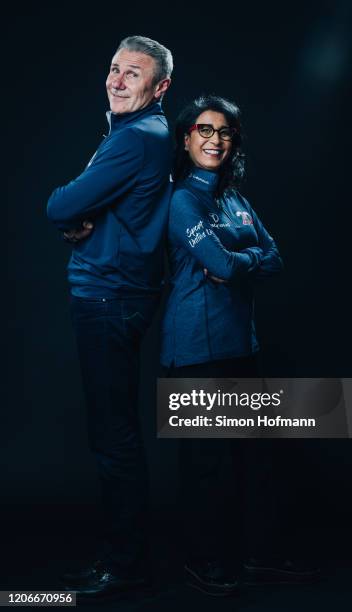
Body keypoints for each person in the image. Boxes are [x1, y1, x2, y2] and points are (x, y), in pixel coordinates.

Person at [161, 96, 318, 596]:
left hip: (240, 345)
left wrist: (239, 257)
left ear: (233, 142)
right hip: (194, 348)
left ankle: (260, 557)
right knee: (207, 465)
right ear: (186, 140)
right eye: (203, 130)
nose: (214, 139)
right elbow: (228, 268)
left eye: (224, 132)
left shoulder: (237, 201)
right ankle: (203, 561)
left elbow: (271, 259)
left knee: (255, 459)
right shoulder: (182, 200)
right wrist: (242, 260)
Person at [47, 35, 173, 599]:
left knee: (113, 436)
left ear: (160, 87)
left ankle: (125, 565)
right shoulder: (135, 133)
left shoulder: (138, 138)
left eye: (134, 74)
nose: (118, 80)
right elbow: (82, 213)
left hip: (109, 298)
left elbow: (60, 205)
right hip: (118, 294)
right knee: (113, 432)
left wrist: (71, 214)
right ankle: (124, 558)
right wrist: (77, 218)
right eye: (115, 69)